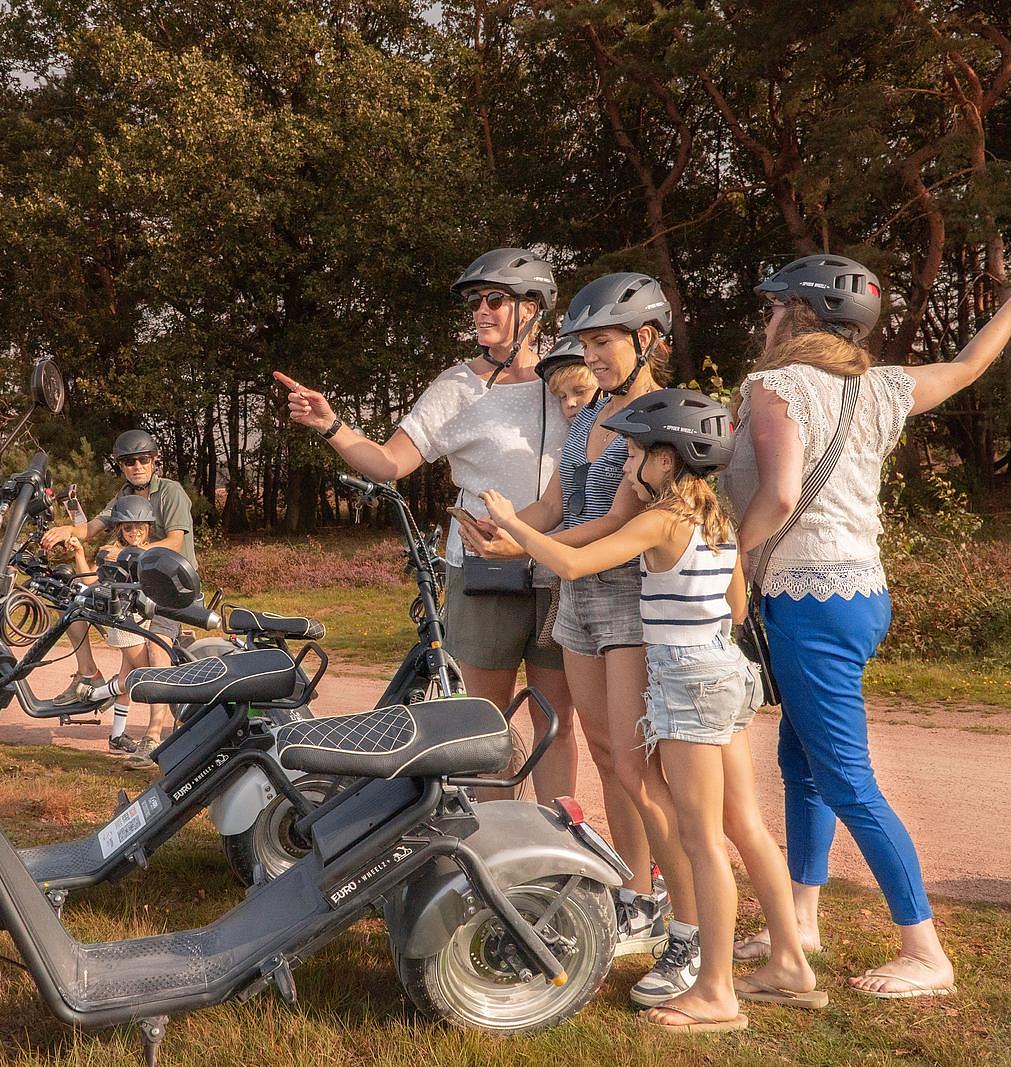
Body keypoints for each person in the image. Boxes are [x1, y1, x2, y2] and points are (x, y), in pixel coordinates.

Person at [721, 238, 1011, 999]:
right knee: (803, 763)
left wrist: (730, 555)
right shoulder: (883, 386)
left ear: (802, 315)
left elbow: (780, 494)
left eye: (775, 307)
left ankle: (925, 950)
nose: (767, 320)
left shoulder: (774, 384)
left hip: (808, 598)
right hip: (858, 593)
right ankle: (802, 921)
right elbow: (969, 365)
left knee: (846, 779)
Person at [482, 389, 824, 1031]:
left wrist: (514, 523)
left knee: (701, 838)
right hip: (725, 672)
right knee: (744, 823)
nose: (628, 462)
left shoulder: (662, 520)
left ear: (667, 460)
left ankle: (716, 991)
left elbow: (573, 562)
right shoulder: (717, 518)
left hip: (688, 681)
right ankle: (790, 964)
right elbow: (738, 607)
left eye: (636, 452)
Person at [462, 273, 695, 991]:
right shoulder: (590, 410)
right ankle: (636, 895)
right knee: (603, 751)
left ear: (646, 339)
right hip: (578, 602)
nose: (590, 356)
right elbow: (557, 503)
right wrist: (507, 535)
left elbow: (615, 525)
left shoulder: (659, 419)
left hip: (630, 602)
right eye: (585, 343)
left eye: (602, 342)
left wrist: (529, 544)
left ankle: (682, 924)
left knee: (636, 766)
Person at [273, 248, 573, 802]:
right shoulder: (457, 386)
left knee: (555, 719)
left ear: (533, 307)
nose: (480, 311)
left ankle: (559, 837)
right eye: (474, 302)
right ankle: (497, 837)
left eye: (494, 300)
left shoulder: (568, 380)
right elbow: (390, 463)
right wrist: (331, 425)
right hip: (484, 568)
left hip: (561, 566)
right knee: (486, 720)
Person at [40, 429, 197, 754]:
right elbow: (91, 528)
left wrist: (127, 553)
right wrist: (66, 531)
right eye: (128, 462)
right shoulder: (124, 495)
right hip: (133, 587)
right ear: (122, 466)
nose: (136, 466)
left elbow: (174, 542)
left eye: (143, 460)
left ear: (154, 460)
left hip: (171, 587)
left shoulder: (171, 492)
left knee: (155, 652)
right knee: (74, 610)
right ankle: (89, 675)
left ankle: (153, 735)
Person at [57, 495, 171, 766]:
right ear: (120, 529)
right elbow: (89, 581)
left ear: (148, 527)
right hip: (124, 620)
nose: (134, 532)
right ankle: (94, 693)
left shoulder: (153, 553)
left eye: (140, 527)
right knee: (145, 674)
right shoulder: (111, 552)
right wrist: (79, 554)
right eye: (128, 528)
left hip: (143, 617)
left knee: (127, 673)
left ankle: (117, 736)